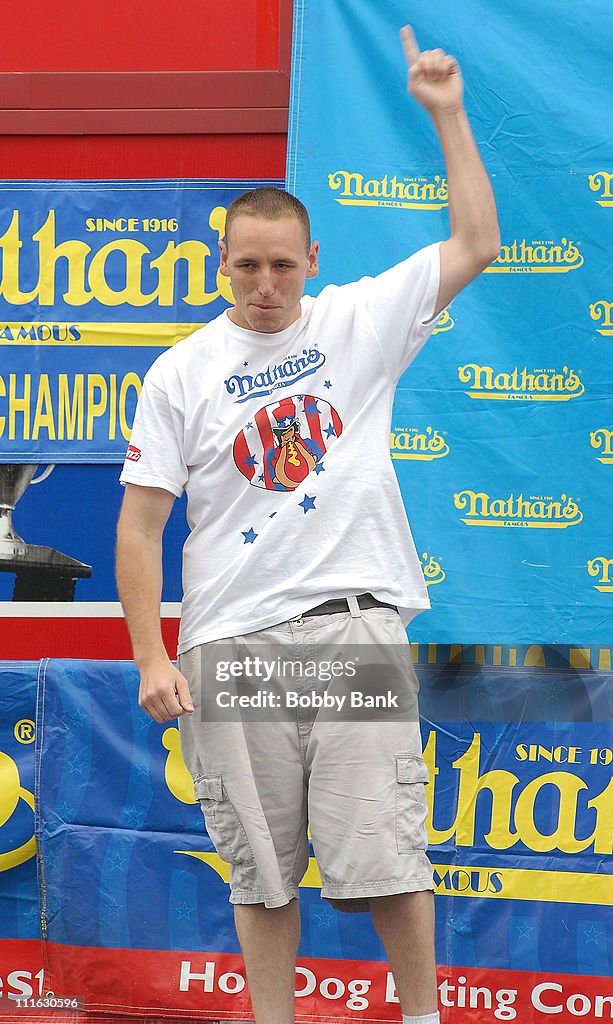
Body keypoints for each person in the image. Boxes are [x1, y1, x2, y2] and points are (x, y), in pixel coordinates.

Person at [116, 25, 499, 1024]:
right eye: (246, 266)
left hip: (349, 624)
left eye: (282, 266)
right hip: (230, 641)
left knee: (384, 854)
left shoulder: (359, 320)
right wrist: (151, 652)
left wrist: (447, 115)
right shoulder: (179, 373)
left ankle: (422, 1017)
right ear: (221, 262)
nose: (264, 285)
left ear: (311, 261)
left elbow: (474, 244)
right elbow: (139, 523)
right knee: (260, 872)